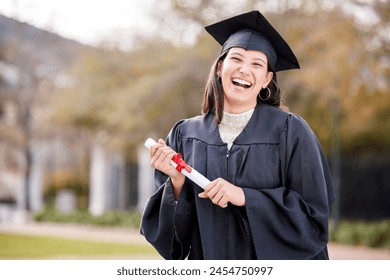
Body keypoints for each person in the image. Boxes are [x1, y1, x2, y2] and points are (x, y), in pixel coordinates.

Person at [140, 10, 336, 260]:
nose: (245, 70)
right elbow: (174, 244)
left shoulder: (290, 131)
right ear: (220, 68)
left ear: (266, 79)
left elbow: (312, 219)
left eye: (257, 64)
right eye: (237, 59)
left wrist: (245, 197)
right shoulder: (185, 134)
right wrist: (177, 183)